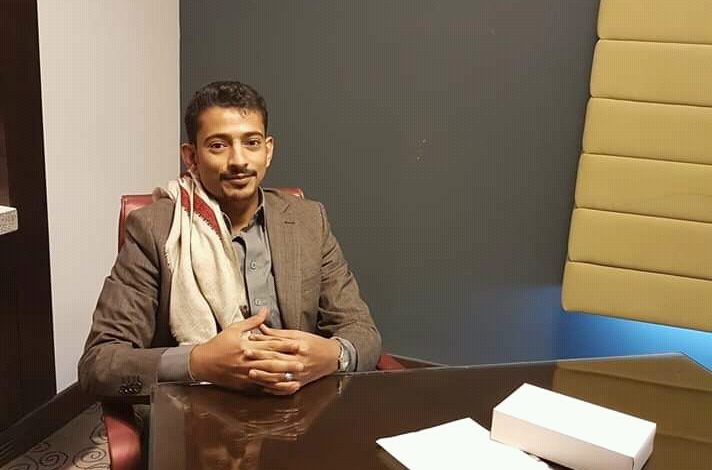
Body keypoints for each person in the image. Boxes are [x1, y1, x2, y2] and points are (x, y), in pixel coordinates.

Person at [78, 80, 381, 402]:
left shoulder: (308, 221)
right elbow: (99, 363)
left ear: (268, 150)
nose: (238, 160)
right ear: (191, 156)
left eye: (251, 143)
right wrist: (198, 362)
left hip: (299, 406)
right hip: (196, 411)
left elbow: (362, 330)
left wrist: (333, 355)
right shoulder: (154, 229)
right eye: (218, 145)